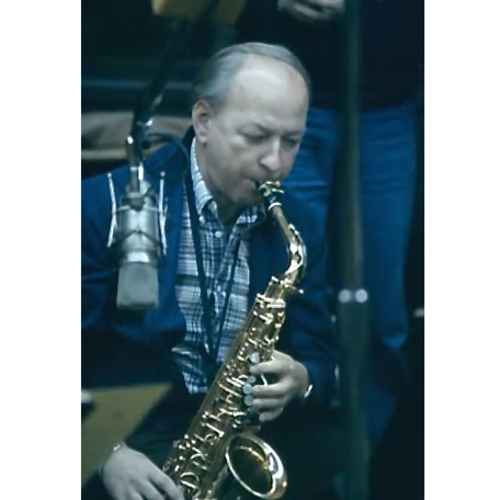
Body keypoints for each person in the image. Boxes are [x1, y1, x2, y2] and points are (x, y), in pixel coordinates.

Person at [82, 42, 339, 500]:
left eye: (291, 141)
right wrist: (104, 452)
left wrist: (302, 377)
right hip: (127, 442)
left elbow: (321, 356)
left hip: (235, 450)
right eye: (256, 136)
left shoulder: (298, 226)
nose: (275, 162)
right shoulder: (104, 206)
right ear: (203, 120)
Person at [237, 0, 424, 447]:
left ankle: (361, 459)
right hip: (283, 90)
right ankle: (275, 447)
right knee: (279, 289)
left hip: (389, 95)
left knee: (381, 310)